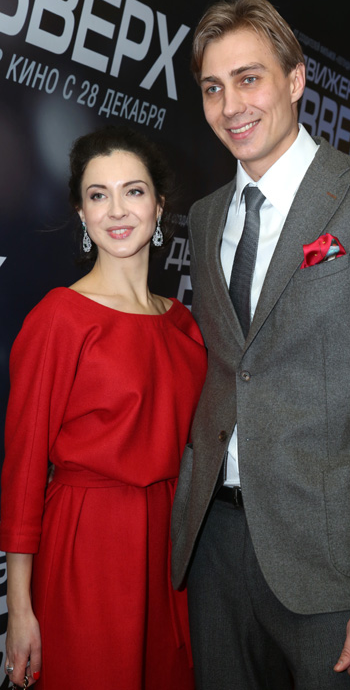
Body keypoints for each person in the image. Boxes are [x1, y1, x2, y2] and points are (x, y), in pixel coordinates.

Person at [170, 0, 350, 689]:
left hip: (332, 567)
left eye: (249, 79)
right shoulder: (205, 217)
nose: (231, 106)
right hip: (215, 546)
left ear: (295, 80)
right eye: (212, 88)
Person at [0, 125, 207, 689]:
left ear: (159, 206)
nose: (117, 210)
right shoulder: (60, 318)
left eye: (133, 191)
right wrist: (20, 610)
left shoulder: (184, 324)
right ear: (82, 212)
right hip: (88, 545)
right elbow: (23, 474)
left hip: (172, 554)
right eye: (98, 195)